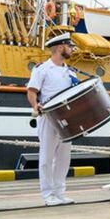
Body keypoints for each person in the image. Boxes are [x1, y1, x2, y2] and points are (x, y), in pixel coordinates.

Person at [26, 33, 80, 206]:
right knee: (47, 156)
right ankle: (48, 194)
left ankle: (59, 191)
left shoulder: (70, 71)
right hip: (49, 116)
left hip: (67, 117)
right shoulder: (42, 69)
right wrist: (35, 105)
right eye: (69, 46)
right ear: (60, 47)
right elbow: (32, 91)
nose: (72, 49)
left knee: (64, 157)